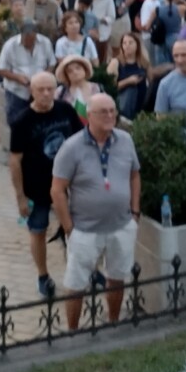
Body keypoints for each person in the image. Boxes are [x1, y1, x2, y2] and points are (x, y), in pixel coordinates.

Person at [51, 93, 140, 329]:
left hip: (121, 224)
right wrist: (69, 227)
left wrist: (135, 212)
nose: (110, 116)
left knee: (117, 277)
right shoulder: (71, 147)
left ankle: (112, 323)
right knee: (76, 283)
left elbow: (134, 174)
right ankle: (72, 332)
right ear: (89, 116)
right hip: (85, 228)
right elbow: (57, 190)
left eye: (113, 111)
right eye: (103, 112)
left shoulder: (125, 140)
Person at [10, 72, 84, 298]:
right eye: (40, 89)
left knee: (76, 230)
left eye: (50, 89)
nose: (45, 93)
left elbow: (82, 141)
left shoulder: (65, 110)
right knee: (38, 230)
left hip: (69, 185)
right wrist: (20, 196)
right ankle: (43, 276)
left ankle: (82, 271)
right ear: (31, 91)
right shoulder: (22, 121)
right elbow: (14, 160)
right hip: (37, 186)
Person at [0, 21, 57, 130]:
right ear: (21, 34)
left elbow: (52, 63)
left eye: (32, 39)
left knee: (41, 122)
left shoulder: (45, 42)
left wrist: (43, 79)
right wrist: (17, 77)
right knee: (17, 122)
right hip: (18, 91)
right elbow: (0, 69)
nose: (29, 42)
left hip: (41, 91)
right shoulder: (10, 45)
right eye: (26, 39)